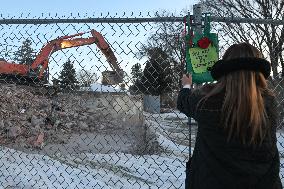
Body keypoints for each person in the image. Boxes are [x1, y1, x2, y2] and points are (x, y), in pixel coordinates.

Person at [177, 43, 282, 189]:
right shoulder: (269, 103)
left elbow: (183, 103)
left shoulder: (206, 101)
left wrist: (187, 85)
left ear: (224, 69)